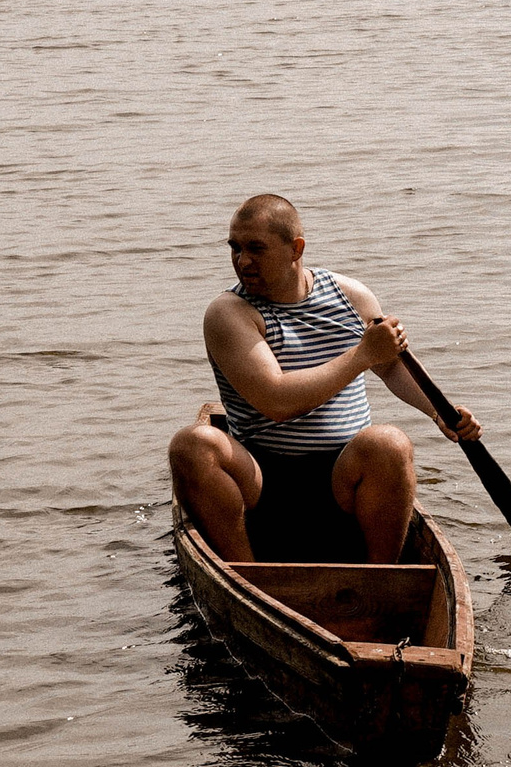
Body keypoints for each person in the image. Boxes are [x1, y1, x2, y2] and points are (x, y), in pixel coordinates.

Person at [169, 193, 481, 565]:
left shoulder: (351, 296)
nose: (242, 261)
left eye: (256, 248)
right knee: (192, 445)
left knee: (390, 443)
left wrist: (440, 412)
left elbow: (391, 367)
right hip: (261, 478)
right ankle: (248, 573)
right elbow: (277, 401)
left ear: (295, 248)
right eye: (234, 248)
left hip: (343, 478)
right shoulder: (229, 313)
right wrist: (363, 353)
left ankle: (381, 581)